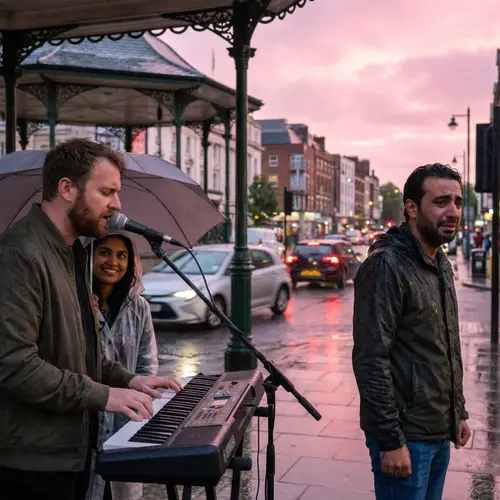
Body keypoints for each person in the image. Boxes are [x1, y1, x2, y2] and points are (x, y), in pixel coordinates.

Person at [0, 138, 182, 500]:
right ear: (66, 188)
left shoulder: (72, 254)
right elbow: (14, 365)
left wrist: (131, 379)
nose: (117, 205)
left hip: (69, 452)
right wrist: (105, 396)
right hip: (31, 463)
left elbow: (82, 353)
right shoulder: (20, 253)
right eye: (107, 192)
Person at [352, 163, 471, 500]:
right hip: (406, 438)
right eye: (441, 202)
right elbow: (371, 359)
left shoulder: (439, 262)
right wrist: (390, 441)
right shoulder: (387, 265)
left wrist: (457, 412)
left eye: (458, 202)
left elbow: (445, 347)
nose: (452, 212)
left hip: (437, 431)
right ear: (411, 208)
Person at [87, 233, 158, 500]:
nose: (113, 261)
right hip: (85, 422)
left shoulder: (138, 307)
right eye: (104, 252)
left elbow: (146, 364)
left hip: (125, 424)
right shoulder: (75, 303)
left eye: (121, 255)